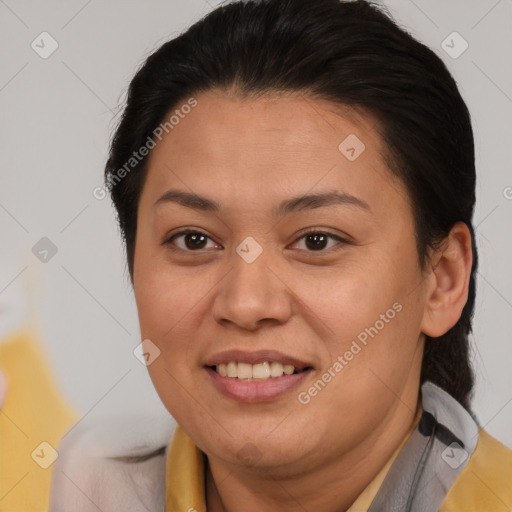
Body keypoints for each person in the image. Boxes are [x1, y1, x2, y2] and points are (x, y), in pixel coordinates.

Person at [49, 0, 512, 510]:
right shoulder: (70, 489)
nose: (246, 304)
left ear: (443, 280)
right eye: (194, 239)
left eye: (317, 240)